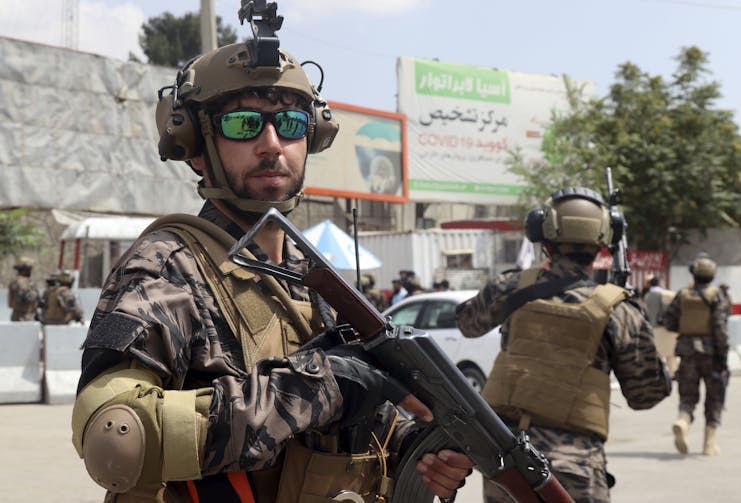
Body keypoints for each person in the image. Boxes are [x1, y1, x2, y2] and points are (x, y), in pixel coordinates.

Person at [70, 20, 471, 503]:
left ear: (312, 137)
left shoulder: (312, 276)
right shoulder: (167, 265)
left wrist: (414, 450)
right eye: (243, 124)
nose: (272, 144)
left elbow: (349, 420)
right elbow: (113, 440)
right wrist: (317, 384)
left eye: (291, 125)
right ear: (198, 149)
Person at [456, 186, 671, 503]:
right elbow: (645, 395)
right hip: (576, 467)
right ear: (602, 243)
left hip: (508, 461)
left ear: (542, 236)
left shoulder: (511, 287)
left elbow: (467, 323)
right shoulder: (619, 309)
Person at [663, 254, 729, 456]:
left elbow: (669, 321)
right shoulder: (716, 295)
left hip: (687, 352)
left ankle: (682, 421)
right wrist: (723, 356)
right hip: (710, 354)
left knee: (688, 395)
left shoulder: (683, 294)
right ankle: (709, 444)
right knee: (714, 398)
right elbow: (720, 328)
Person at [7, 256, 39, 321]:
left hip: (23, 314)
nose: (30, 271)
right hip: (23, 316)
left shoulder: (19, 281)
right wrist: (35, 295)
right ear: (25, 269)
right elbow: (23, 297)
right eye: (29, 269)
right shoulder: (21, 282)